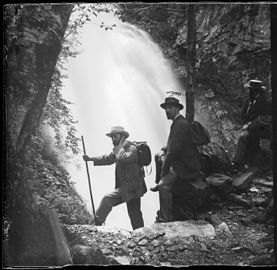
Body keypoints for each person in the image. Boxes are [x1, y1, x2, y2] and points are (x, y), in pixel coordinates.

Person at [153, 96, 210, 222]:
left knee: (163, 186)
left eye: (170, 108)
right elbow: (177, 145)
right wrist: (166, 148)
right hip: (185, 160)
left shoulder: (179, 125)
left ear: (177, 109)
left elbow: (173, 152)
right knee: (159, 155)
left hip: (186, 165)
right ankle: (159, 183)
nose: (167, 110)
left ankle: (165, 218)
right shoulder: (180, 122)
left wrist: (164, 172)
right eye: (166, 108)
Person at [83, 126, 147, 230]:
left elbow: (122, 158)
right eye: (112, 137)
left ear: (122, 137)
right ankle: (140, 233)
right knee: (134, 213)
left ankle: (96, 225)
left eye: (115, 137)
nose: (113, 139)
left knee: (108, 200)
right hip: (130, 188)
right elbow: (107, 158)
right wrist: (90, 159)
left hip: (132, 187)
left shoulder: (131, 148)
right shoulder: (120, 149)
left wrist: (119, 147)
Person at [232, 79, 272, 170]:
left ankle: (268, 168)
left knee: (265, 148)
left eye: (250, 89)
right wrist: (246, 124)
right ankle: (237, 162)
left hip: (265, 130)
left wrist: (250, 125)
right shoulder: (250, 100)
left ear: (256, 90)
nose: (249, 91)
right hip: (253, 129)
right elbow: (244, 115)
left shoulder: (266, 101)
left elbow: (266, 118)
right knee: (243, 137)